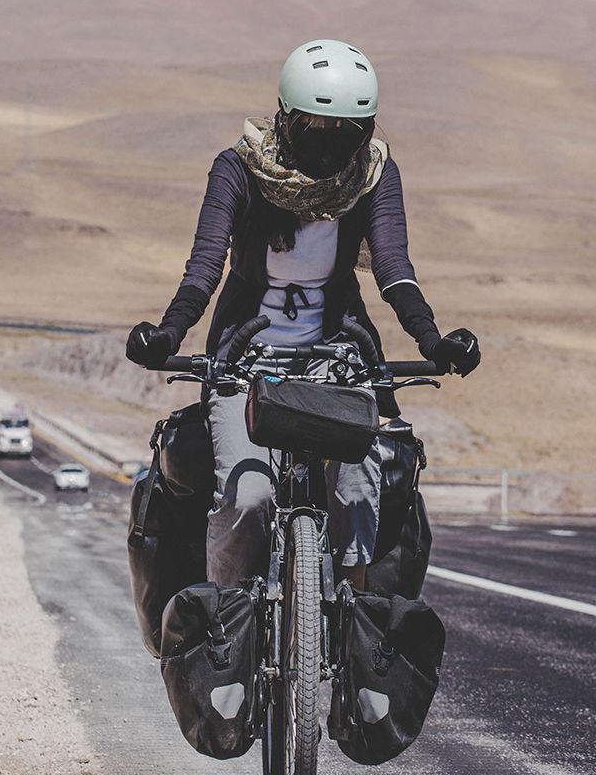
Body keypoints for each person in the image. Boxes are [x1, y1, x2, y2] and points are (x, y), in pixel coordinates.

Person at [125, 38, 480, 587]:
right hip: (245, 359)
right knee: (248, 498)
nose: (330, 149)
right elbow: (204, 269)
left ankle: (353, 621)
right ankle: (228, 623)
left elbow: (394, 269)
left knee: (360, 489)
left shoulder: (374, 175)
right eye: (316, 129)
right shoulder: (238, 169)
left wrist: (433, 341)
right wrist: (170, 333)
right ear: (286, 118)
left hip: (338, 357)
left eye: (350, 133)